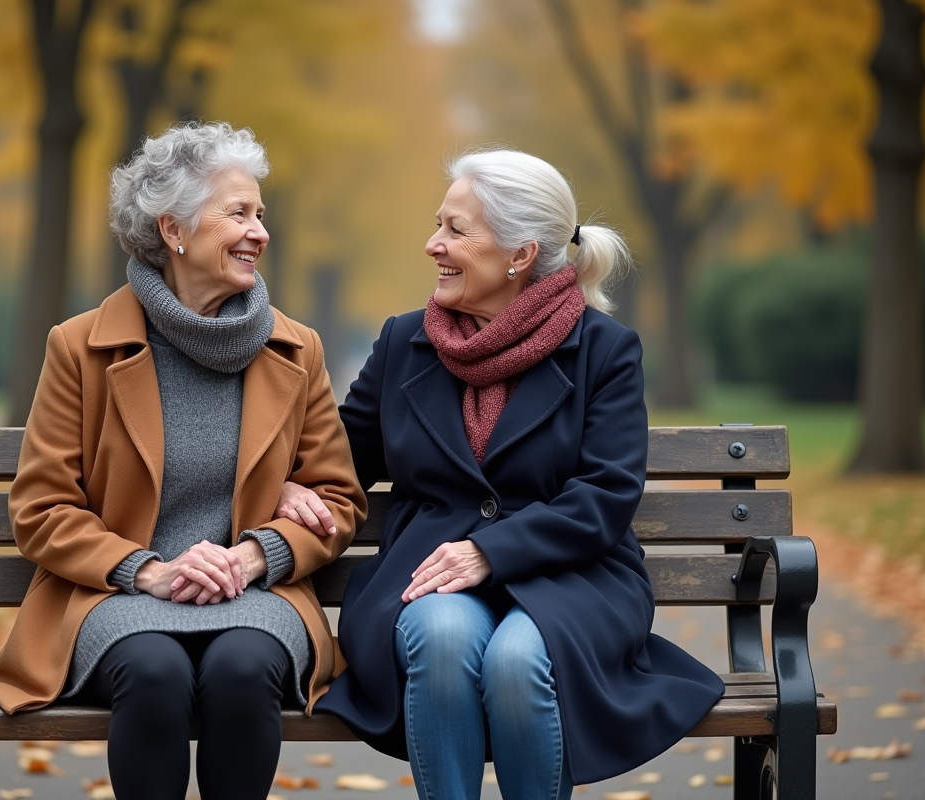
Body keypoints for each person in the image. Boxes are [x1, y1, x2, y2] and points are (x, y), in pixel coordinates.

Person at [277, 150, 725, 800]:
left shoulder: (604, 350)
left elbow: (605, 497)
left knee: (519, 659)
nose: (433, 245)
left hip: (573, 577)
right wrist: (296, 479)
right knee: (442, 631)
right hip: (428, 575)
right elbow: (340, 457)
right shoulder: (404, 342)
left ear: (520, 253)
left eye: (456, 231)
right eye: (439, 225)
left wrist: (491, 552)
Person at [0, 121, 366, 800]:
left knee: (244, 670)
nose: (260, 231)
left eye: (261, 214)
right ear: (174, 231)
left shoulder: (297, 349)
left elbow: (338, 499)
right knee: (155, 673)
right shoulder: (80, 347)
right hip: (121, 593)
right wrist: (149, 571)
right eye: (238, 213)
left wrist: (254, 555)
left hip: (256, 594)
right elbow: (41, 508)